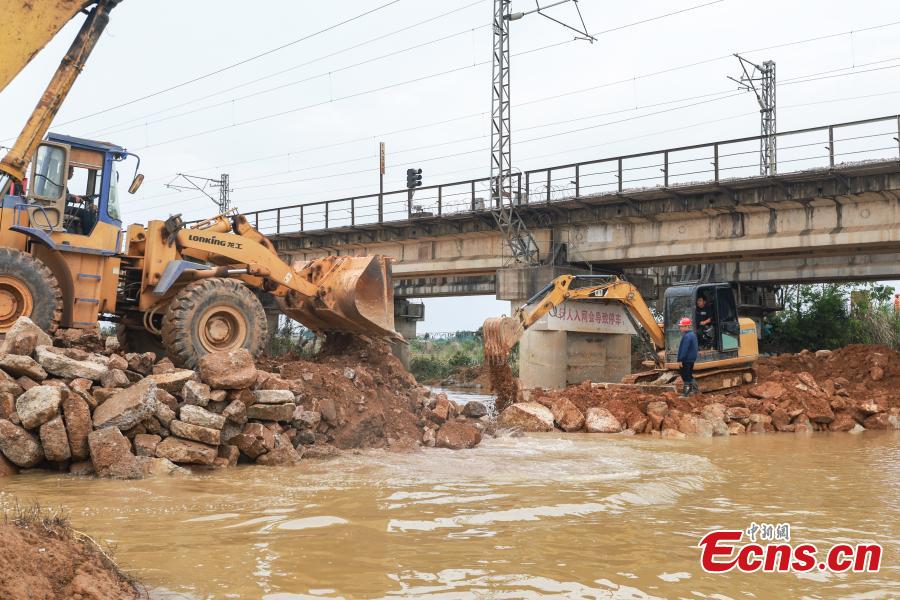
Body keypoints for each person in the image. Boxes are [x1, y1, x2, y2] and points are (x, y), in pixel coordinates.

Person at [677, 317, 699, 397]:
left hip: (686, 360)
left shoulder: (686, 336)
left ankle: (685, 394)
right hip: (691, 359)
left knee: (685, 377)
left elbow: (684, 349)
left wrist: (680, 360)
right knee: (689, 375)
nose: (680, 328)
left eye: (681, 326)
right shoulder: (692, 335)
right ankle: (696, 390)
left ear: (686, 326)